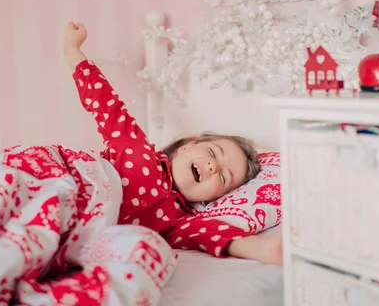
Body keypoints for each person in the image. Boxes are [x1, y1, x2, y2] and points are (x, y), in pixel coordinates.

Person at [64, 22, 282, 264]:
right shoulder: (138, 149)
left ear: (208, 200)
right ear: (187, 145)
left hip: (76, 237)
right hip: (67, 186)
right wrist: (73, 49)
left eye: (223, 177)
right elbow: (105, 104)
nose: (213, 166)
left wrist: (265, 249)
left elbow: (217, 236)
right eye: (212, 152)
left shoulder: (177, 222)